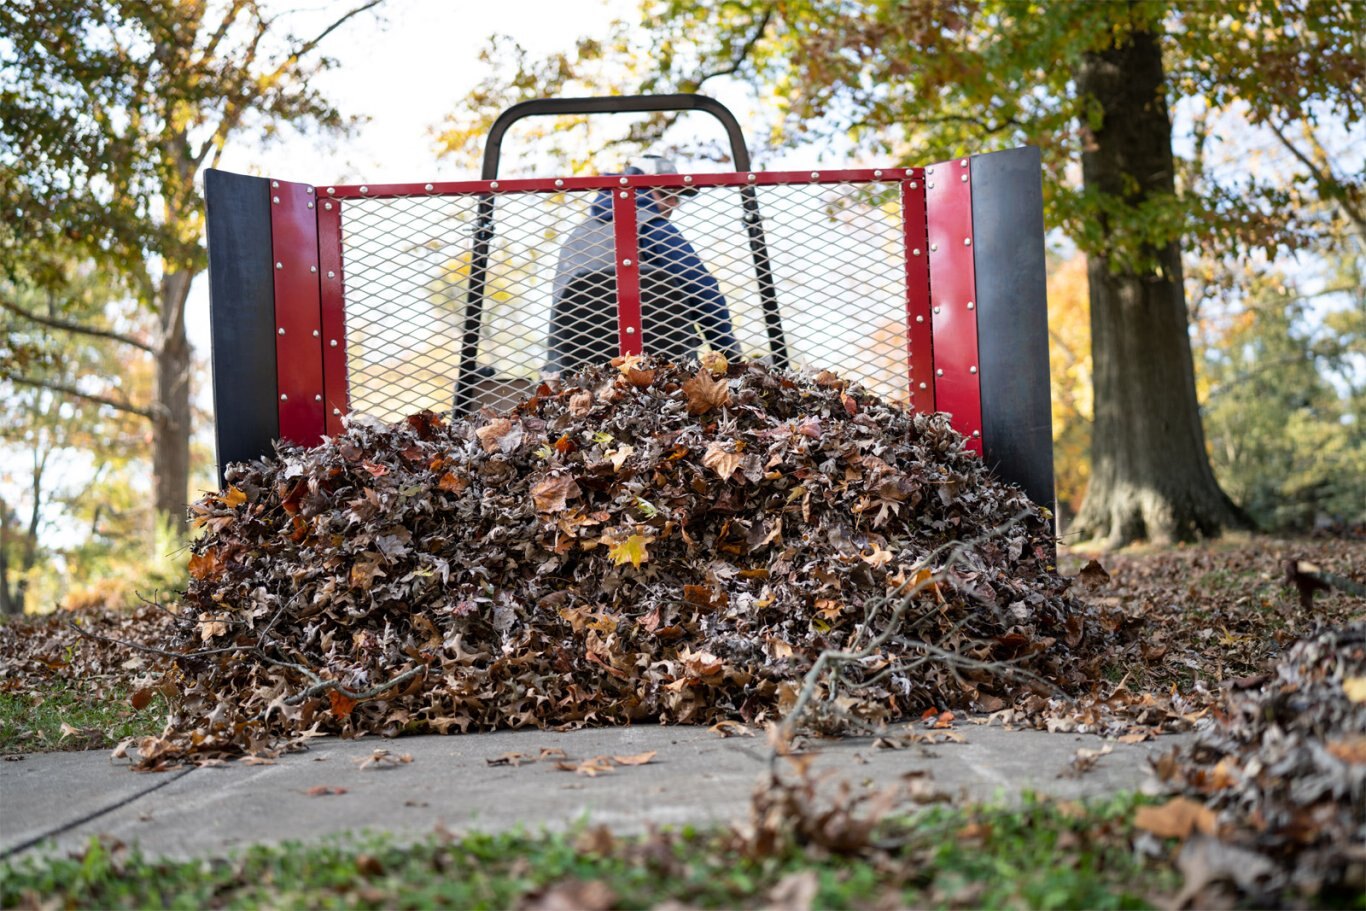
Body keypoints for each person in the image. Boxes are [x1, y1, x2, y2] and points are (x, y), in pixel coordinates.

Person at [545, 155, 740, 376]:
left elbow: (558, 306)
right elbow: (702, 289)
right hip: (660, 367)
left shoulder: (575, 238)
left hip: (577, 369)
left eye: (677, 197)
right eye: (666, 193)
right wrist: (730, 356)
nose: (673, 203)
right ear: (641, 188)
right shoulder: (655, 228)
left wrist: (554, 371)